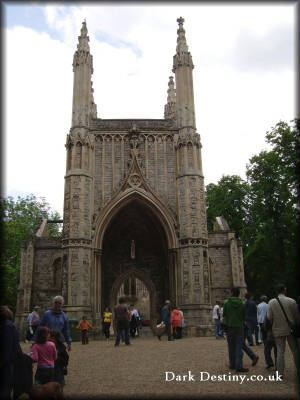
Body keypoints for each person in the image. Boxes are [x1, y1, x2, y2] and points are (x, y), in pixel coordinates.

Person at [267, 284, 299, 379]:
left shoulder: (271, 302)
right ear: (284, 290)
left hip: (278, 329)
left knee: (280, 352)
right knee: (295, 351)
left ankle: (280, 374)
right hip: (290, 330)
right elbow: (296, 317)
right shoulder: (291, 301)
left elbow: (269, 317)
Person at [223, 287, 248, 373]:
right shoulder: (242, 303)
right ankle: (239, 366)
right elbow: (244, 315)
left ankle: (232, 364)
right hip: (239, 326)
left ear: (232, 293)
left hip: (230, 327)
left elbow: (224, 315)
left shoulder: (227, 303)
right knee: (238, 346)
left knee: (231, 346)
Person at [0, 306, 22, 400]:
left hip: (6, 362)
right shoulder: (9, 326)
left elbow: (9, 347)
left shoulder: (8, 326)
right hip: (7, 362)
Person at [257, 295, 274, 368]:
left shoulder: (258, 305)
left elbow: (258, 314)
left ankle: (265, 342)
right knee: (267, 333)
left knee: (263, 333)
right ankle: (267, 341)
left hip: (261, 321)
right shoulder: (268, 305)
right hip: (267, 322)